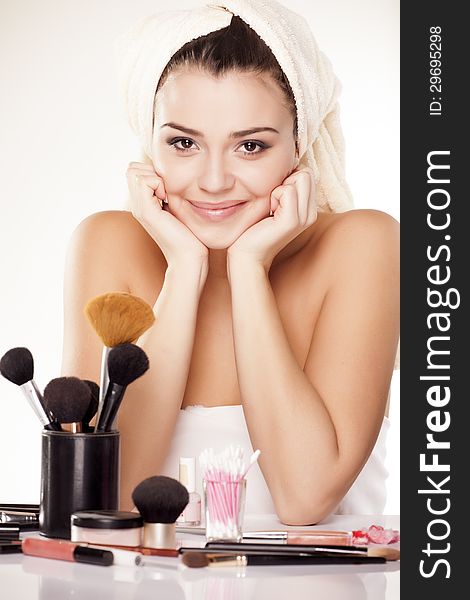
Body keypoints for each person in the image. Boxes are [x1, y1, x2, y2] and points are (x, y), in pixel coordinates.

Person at [61, 1, 399, 525]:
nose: (214, 180)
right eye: (183, 142)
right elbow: (107, 499)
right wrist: (185, 269)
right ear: (148, 145)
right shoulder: (108, 243)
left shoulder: (362, 245)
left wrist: (248, 270)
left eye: (250, 146)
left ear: (299, 144)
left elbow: (304, 497)